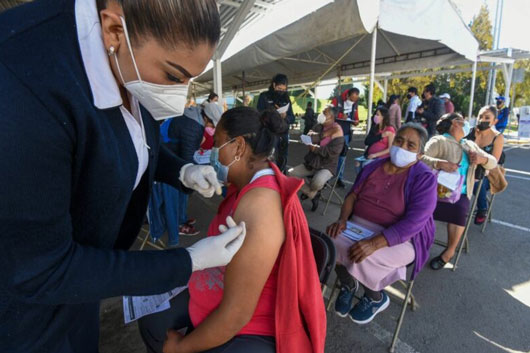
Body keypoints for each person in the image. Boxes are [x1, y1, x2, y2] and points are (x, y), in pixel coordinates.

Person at [0, 1, 248, 352]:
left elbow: (133, 142)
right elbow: (43, 270)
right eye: (174, 76)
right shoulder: (22, 86)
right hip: (28, 313)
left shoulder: (126, 60)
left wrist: (181, 169)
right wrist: (187, 261)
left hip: (85, 281)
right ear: (114, 30)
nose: (179, 97)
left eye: (191, 79)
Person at [139, 107, 326, 353]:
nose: (211, 154)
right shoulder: (248, 184)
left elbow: (236, 314)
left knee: (159, 333)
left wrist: (181, 348)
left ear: (238, 146)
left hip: (249, 326)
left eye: (216, 145)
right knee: (151, 320)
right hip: (217, 294)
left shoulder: (258, 206)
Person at [326, 123, 437, 323]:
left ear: (420, 154)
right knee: (329, 242)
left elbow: (414, 222)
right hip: (358, 226)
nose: (402, 147)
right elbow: (352, 196)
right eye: (400, 140)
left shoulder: (424, 178)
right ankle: (348, 283)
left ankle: (375, 297)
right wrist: (342, 220)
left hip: (402, 237)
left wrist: (374, 243)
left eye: (411, 146)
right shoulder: (373, 166)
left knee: (363, 254)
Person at [422, 113, 497, 270]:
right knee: (420, 210)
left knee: (460, 209)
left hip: (460, 194)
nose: (466, 125)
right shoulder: (439, 140)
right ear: (455, 123)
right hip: (434, 192)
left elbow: (493, 163)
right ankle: (415, 245)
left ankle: (449, 252)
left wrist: (481, 159)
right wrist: (438, 163)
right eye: (463, 122)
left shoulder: (469, 144)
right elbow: (420, 159)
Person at [289, 106, 344, 211]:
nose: (321, 114)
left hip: (327, 166)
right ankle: (312, 194)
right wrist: (313, 137)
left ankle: (310, 191)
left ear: (331, 117)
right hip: (312, 163)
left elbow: (331, 153)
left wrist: (315, 148)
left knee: (317, 182)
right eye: (322, 112)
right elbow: (309, 137)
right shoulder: (318, 126)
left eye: (325, 113)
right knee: (291, 174)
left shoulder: (337, 130)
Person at [466, 105, 506, 224]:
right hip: (468, 168)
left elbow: (493, 163)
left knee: (477, 180)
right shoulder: (472, 131)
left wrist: (481, 159)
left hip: (488, 175)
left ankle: (482, 209)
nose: (482, 120)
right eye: (480, 116)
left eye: (487, 118)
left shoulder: (498, 137)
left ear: (495, 121)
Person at [257, 73, 295, 173]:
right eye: (279, 88)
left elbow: (292, 118)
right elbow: (259, 115)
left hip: (283, 134)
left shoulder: (287, 99)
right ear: (274, 85)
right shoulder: (264, 97)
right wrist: (271, 114)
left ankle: (282, 175)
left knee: (282, 159)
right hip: (268, 134)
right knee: (268, 159)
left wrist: (285, 116)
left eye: (283, 90)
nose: (281, 91)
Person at [336, 87, 360, 187]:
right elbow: (330, 112)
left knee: (343, 156)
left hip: (346, 133)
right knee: (332, 154)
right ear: (348, 95)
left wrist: (356, 122)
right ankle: (326, 177)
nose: (353, 101)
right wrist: (341, 115)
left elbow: (356, 117)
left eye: (355, 99)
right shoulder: (337, 100)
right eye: (352, 98)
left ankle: (339, 178)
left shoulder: (355, 104)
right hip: (334, 132)